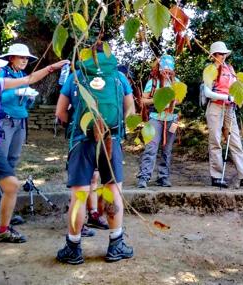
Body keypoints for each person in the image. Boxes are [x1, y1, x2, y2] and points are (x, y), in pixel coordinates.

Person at [55, 48, 134, 264]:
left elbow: (60, 112)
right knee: (112, 191)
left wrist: (76, 126)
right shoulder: (118, 77)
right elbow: (130, 108)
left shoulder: (76, 76)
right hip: (111, 140)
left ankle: (73, 247)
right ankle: (116, 245)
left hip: (82, 140)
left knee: (79, 194)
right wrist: (116, 127)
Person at [0, 52, 69, 243]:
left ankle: (2, 230)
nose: (0, 70)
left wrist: (52, 67)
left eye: (0, 67)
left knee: (11, 186)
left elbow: (29, 78)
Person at [0, 44, 39, 228]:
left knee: (11, 164)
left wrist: (29, 99)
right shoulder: (0, 74)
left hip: (20, 122)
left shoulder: (20, 76)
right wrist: (17, 93)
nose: (25, 60)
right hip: (4, 122)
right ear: (11, 58)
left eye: (26, 58)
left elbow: (23, 106)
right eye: (21, 57)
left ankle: (5, 211)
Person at [202, 41, 243, 189]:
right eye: (219, 54)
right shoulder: (210, 70)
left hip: (230, 108)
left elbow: (235, 86)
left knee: (235, 141)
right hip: (216, 107)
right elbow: (207, 92)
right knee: (215, 140)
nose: (222, 56)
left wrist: (239, 99)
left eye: (224, 54)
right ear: (213, 55)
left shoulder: (230, 68)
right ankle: (216, 176)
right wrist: (226, 97)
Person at [136, 55, 180, 188]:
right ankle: (144, 177)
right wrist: (158, 100)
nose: (167, 73)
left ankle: (163, 177)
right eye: (164, 70)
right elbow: (143, 100)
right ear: (159, 69)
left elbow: (180, 99)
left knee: (167, 150)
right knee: (151, 147)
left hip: (172, 118)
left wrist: (172, 101)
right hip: (155, 117)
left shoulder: (176, 82)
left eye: (169, 71)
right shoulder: (153, 82)